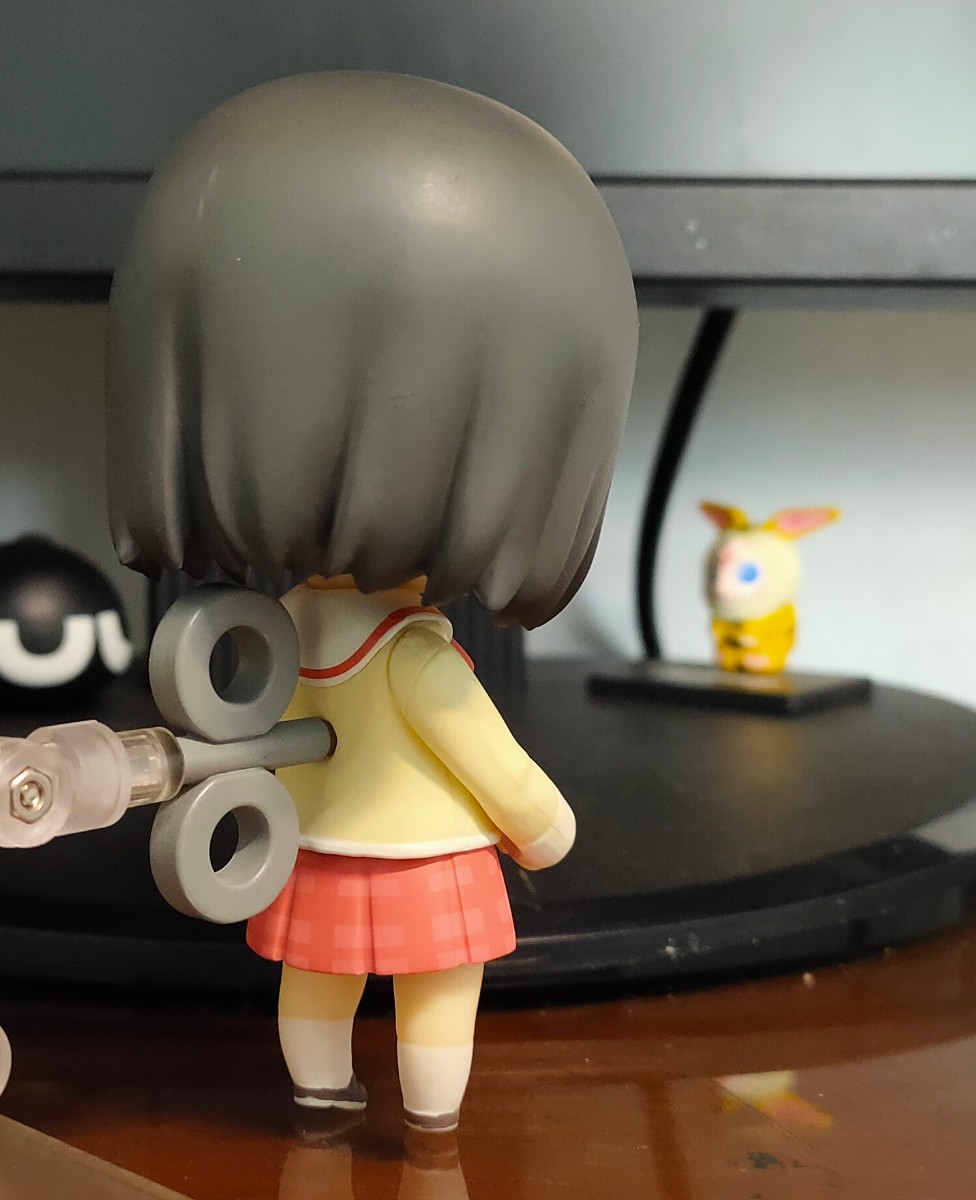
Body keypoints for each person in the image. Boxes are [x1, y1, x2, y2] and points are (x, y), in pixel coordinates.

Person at [107, 70, 638, 1131]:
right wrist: (546, 831)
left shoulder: (280, 635)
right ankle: (431, 1120)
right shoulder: (414, 655)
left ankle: (320, 1093)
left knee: (318, 981)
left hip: (310, 848)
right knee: (439, 992)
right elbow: (494, 765)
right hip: (425, 856)